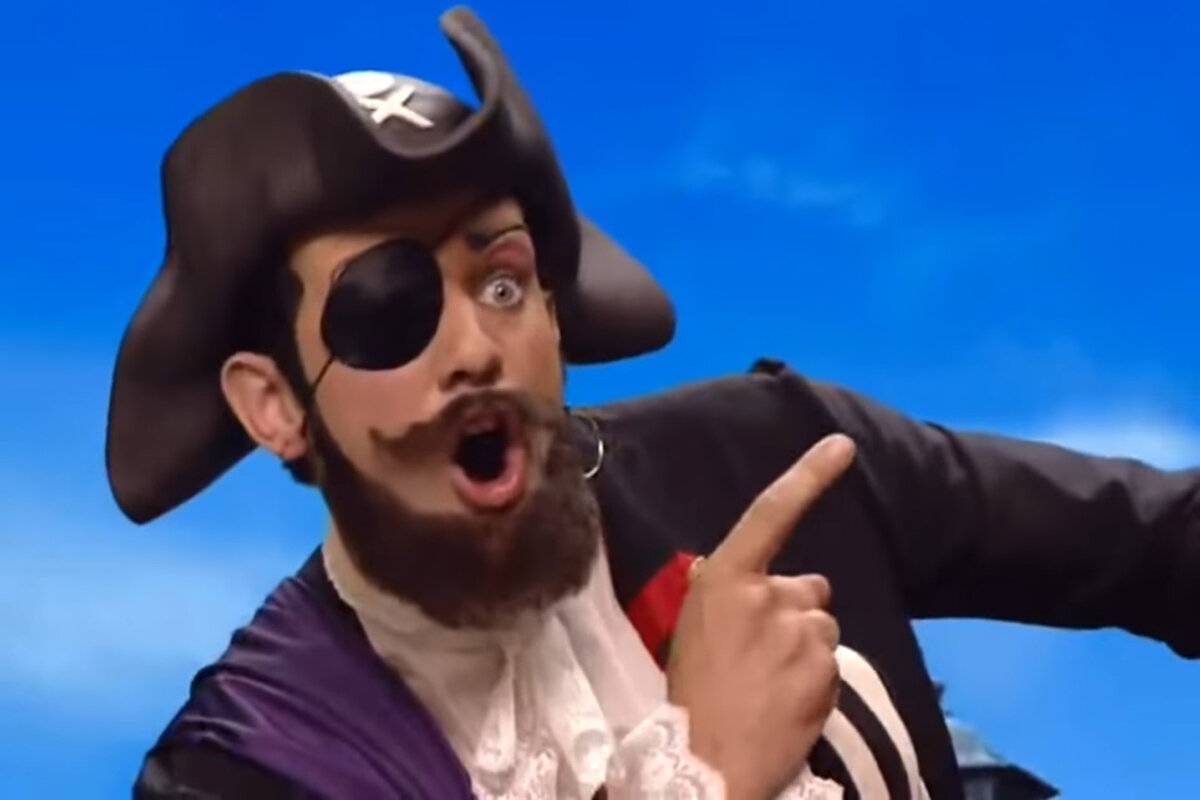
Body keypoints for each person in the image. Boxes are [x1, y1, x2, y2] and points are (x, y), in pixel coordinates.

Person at [109, 7, 1198, 800]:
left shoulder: (770, 454)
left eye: (502, 281)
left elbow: (1152, 538)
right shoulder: (252, 762)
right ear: (274, 405)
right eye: (389, 311)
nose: (476, 347)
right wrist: (704, 773)